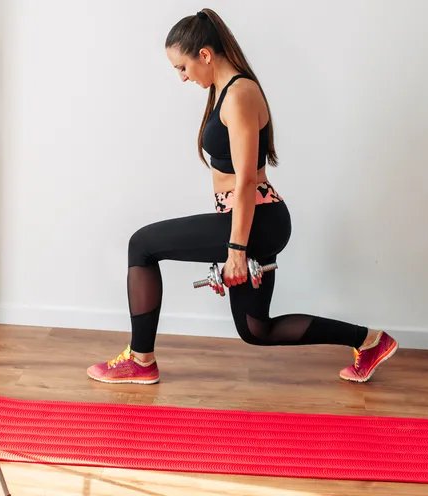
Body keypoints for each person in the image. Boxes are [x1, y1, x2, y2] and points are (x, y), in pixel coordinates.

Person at [86, 8, 397, 385]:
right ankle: (369, 341)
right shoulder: (223, 91)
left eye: (182, 67)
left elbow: (246, 180)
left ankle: (140, 360)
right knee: (256, 329)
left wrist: (235, 250)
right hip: (249, 219)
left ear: (204, 55)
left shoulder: (239, 95)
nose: (183, 77)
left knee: (142, 245)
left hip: (258, 219)